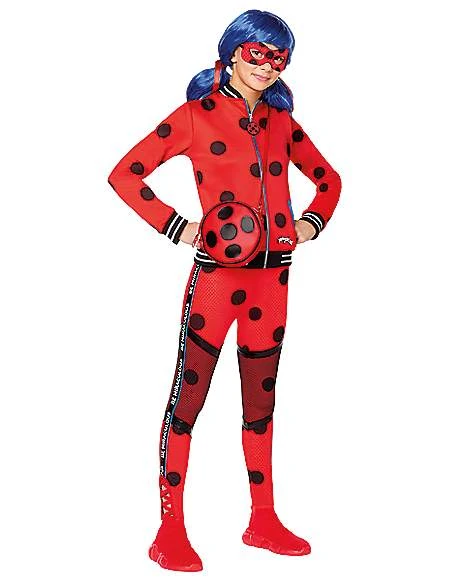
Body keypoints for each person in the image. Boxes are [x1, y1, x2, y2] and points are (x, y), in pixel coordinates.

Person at [108, 9, 341, 572]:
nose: (267, 66)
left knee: (261, 404)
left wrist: (311, 223)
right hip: (217, 281)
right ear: (233, 52)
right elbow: (124, 173)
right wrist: (176, 226)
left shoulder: (283, 123)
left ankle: (263, 520)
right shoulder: (195, 116)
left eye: (278, 57)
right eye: (257, 53)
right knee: (189, 401)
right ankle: (170, 529)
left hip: (273, 281)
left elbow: (330, 180)